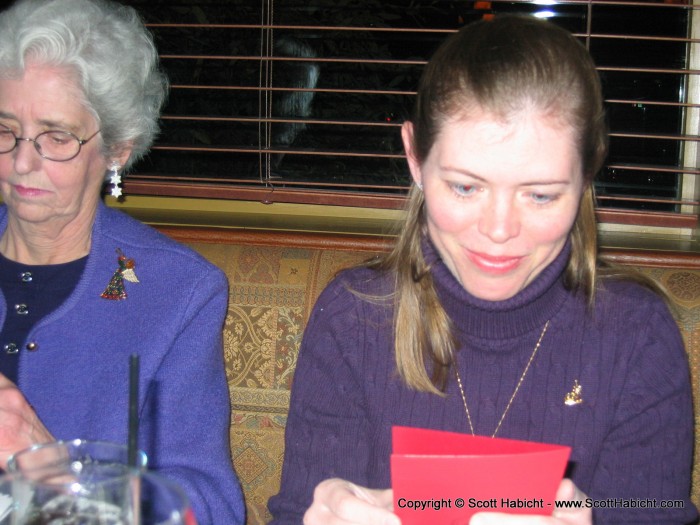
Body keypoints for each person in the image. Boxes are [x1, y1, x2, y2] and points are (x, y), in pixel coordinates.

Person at [268, 14, 698, 525]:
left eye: (539, 195)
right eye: (466, 187)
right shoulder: (352, 321)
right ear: (414, 158)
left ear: (586, 177)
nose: (499, 230)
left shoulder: (637, 338)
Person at [0, 0, 245, 523]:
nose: (21, 161)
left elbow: (212, 507)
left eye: (56, 137)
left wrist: (59, 475)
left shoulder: (174, 292)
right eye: (5, 130)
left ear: (116, 150)